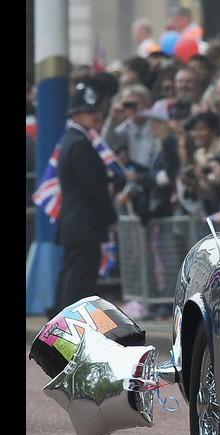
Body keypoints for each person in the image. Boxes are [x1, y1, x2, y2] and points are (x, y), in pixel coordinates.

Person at [50, 82, 119, 317]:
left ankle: (60, 324)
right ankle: (69, 326)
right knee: (79, 283)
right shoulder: (79, 144)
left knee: (72, 277)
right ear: (75, 114)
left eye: (94, 111)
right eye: (88, 111)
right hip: (84, 225)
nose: (94, 115)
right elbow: (93, 189)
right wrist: (109, 215)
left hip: (77, 225)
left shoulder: (73, 141)